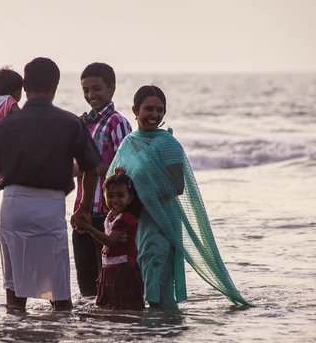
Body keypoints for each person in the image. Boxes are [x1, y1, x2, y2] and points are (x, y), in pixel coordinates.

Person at [107, 85, 251, 309]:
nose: (154, 115)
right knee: (140, 284)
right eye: (148, 109)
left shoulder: (168, 144)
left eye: (160, 110)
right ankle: (153, 335)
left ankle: (167, 332)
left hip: (160, 223)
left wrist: (140, 196)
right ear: (135, 110)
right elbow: (113, 183)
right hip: (134, 226)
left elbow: (176, 186)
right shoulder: (129, 144)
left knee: (157, 281)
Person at [0, 57, 102, 311]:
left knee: (15, 297)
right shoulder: (70, 122)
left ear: (24, 88)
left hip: (14, 207)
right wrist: (85, 208)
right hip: (50, 208)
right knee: (59, 294)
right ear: (55, 87)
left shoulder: (8, 123)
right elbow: (92, 168)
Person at [72, 62, 133, 297]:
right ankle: (92, 330)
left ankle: (111, 329)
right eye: (86, 90)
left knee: (109, 285)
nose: (91, 95)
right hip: (84, 213)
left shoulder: (118, 123)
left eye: (96, 89)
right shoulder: (86, 124)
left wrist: (91, 165)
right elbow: (78, 168)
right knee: (86, 288)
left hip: (108, 216)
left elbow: (126, 171)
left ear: (112, 89)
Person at [74, 168, 145, 310]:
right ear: (103, 197)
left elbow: (110, 241)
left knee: (125, 309)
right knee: (109, 308)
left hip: (124, 272)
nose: (115, 200)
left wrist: (87, 227)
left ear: (130, 198)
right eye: (110, 196)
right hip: (110, 270)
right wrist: (117, 174)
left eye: (120, 196)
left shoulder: (126, 218)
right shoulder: (112, 216)